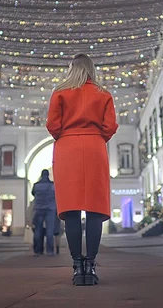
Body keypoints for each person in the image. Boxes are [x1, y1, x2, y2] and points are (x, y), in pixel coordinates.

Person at [46, 53, 118, 286]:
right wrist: (96, 137)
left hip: (68, 150)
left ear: (72, 68)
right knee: (95, 209)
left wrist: (66, 136)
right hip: (95, 147)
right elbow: (110, 126)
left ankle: (77, 266)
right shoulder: (103, 94)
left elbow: (52, 125)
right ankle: (91, 266)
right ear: (91, 69)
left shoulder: (60, 92)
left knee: (72, 210)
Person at [31, 169, 56, 256]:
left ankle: (38, 250)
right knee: (50, 231)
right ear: (48, 175)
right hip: (50, 209)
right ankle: (50, 250)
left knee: (38, 230)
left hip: (38, 209)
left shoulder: (36, 185)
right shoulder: (52, 185)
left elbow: (33, 194)